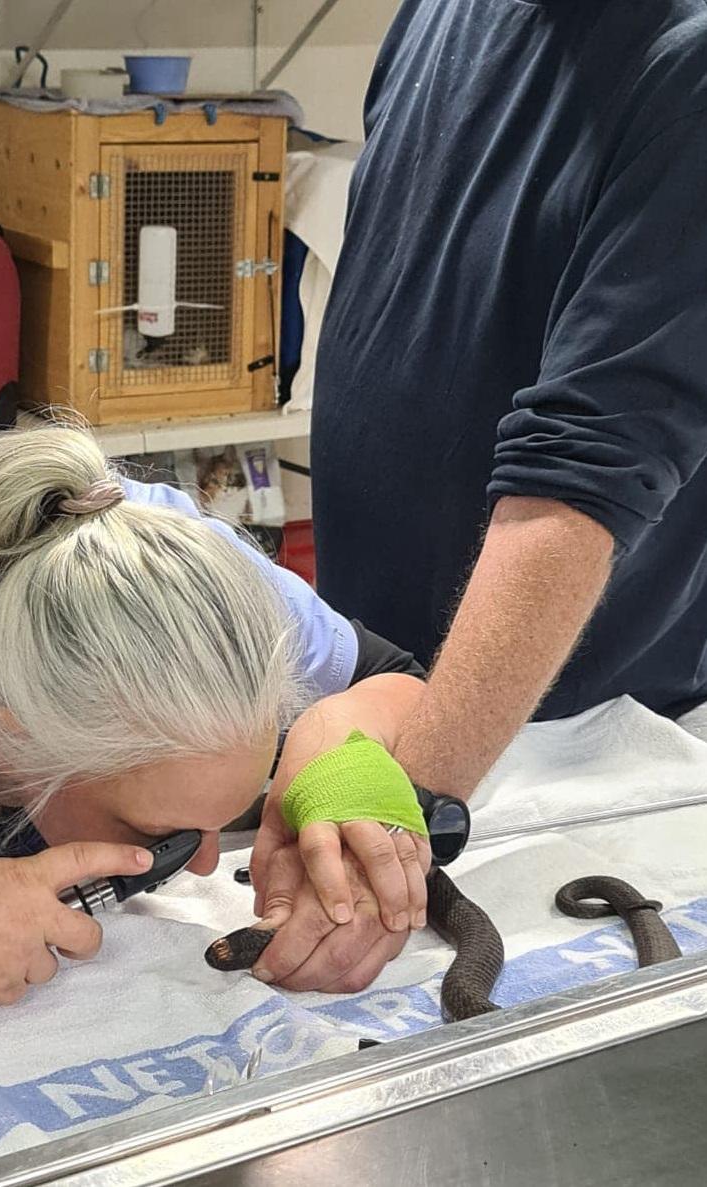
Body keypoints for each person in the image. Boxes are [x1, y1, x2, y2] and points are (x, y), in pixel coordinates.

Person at [0, 421, 429, 1043]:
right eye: (157, 829)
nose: (201, 864)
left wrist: (341, 762)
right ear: (14, 740)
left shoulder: (147, 556)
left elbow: (390, 680)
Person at [305, 2, 707, 815]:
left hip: (544, 759)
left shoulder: (686, 64)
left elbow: (586, 472)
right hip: (373, 700)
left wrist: (412, 806)